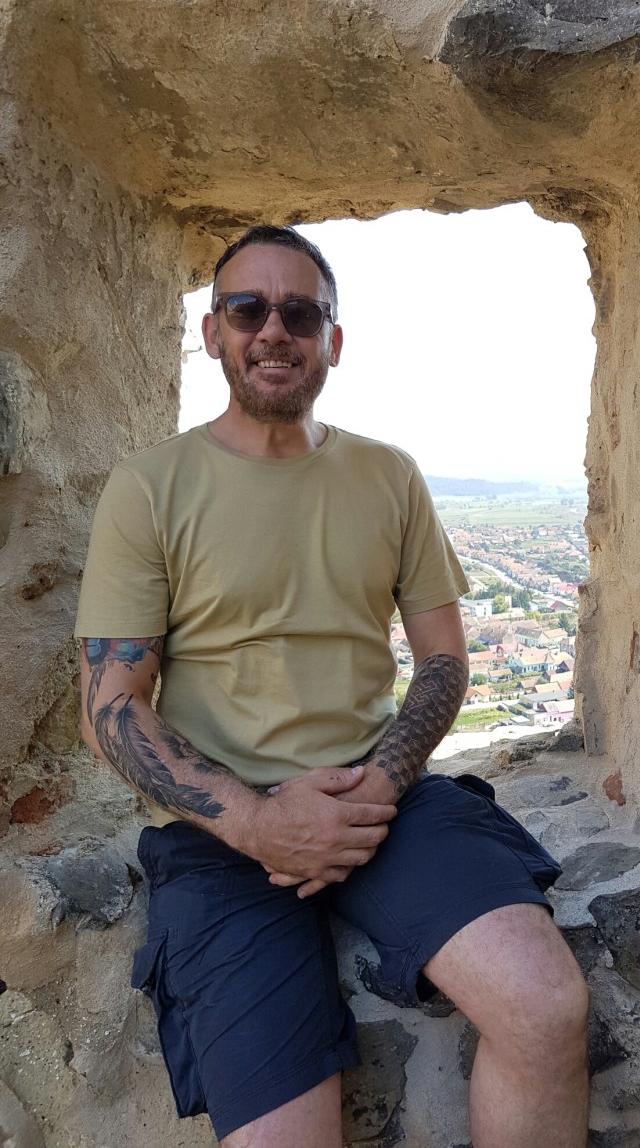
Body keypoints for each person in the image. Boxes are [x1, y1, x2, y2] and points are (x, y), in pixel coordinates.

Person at [75, 225, 589, 1148]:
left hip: (380, 800)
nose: (274, 330)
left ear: (333, 340)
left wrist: (379, 785)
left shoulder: (387, 475)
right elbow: (111, 707)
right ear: (213, 332)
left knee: (544, 1008)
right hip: (220, 838)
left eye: (300, 313)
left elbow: (444, 660)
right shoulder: (149, 486)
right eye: (247, 309)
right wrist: (259, 824)